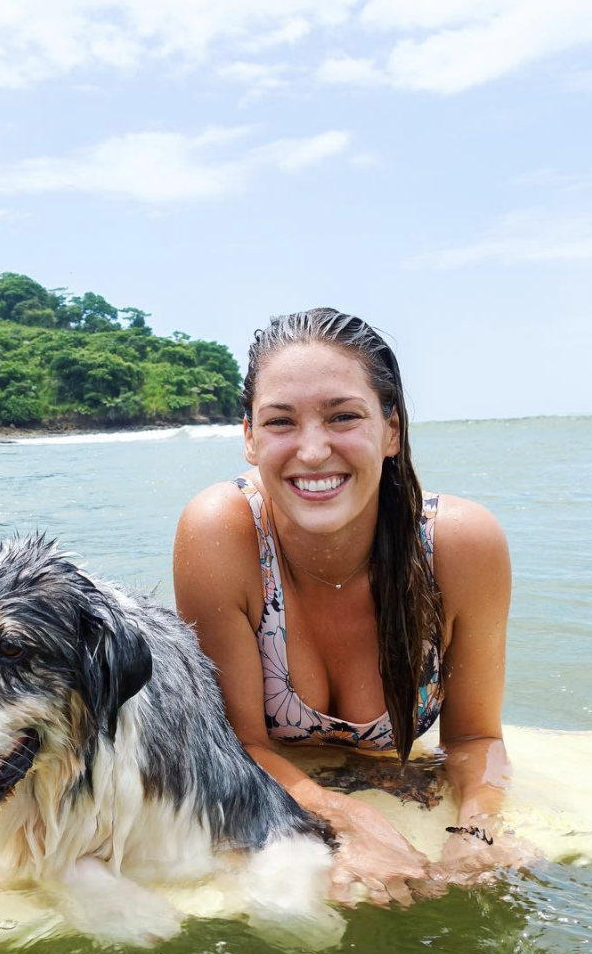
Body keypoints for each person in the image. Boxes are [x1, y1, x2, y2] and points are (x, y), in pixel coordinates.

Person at [173, 308, 531, 907]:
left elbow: (472, 737)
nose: (313, 451)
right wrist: (350, 823)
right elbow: (238, 745)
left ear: (392, 430)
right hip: (279, 797)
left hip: (398, 780)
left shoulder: (461, 545)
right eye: (280, 422)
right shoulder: (222, 532)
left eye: (343, 417)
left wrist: (477, 829)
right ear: (249, 438)